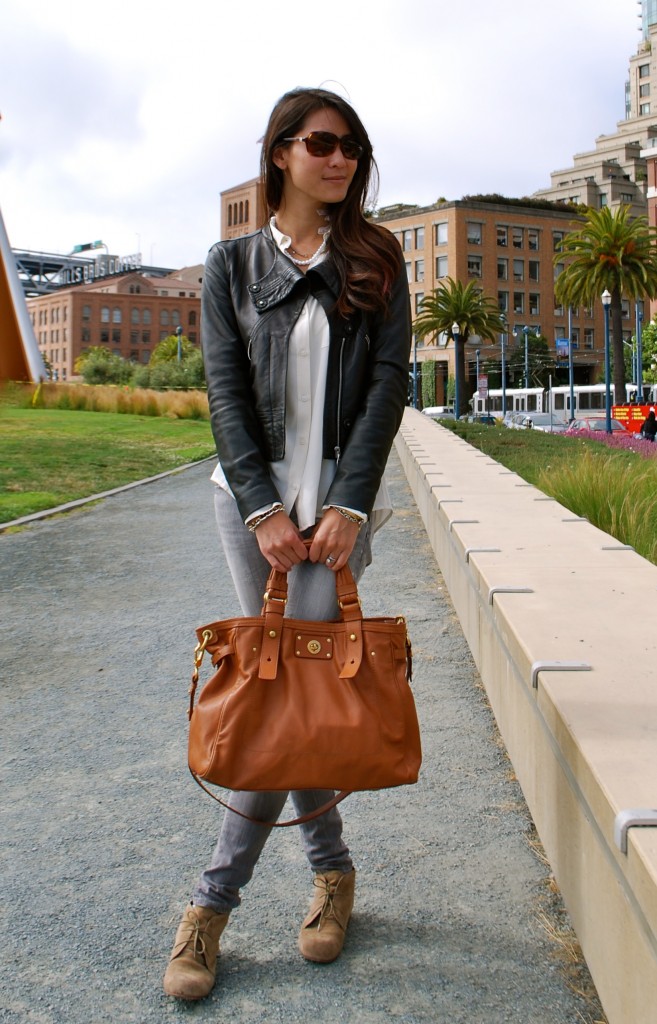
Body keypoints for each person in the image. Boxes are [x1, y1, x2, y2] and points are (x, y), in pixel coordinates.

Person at [163, 86, 412, 1001]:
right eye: (319, 143)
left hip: (340, 510)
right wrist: (265, 507)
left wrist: (347, 503)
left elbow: (388, 388)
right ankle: (332, 871)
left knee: (278, 693)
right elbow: (225, 392)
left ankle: (209, 907)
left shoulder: (377, 260)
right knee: (279, 679)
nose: (338, 158)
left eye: (350, 145)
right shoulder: (230, 264)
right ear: (279, 154)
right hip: (252, 505)